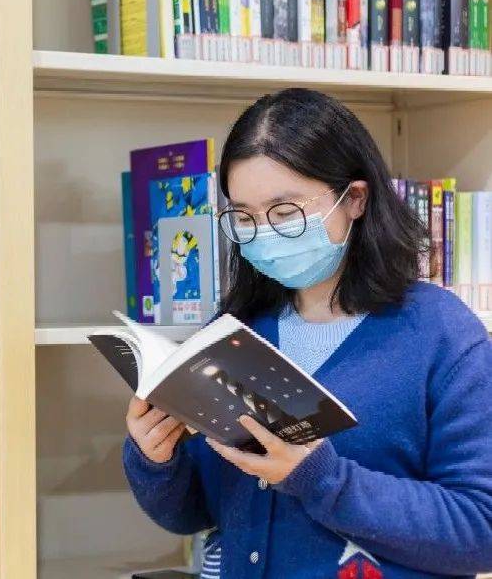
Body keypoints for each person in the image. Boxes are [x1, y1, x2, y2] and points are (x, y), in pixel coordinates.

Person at [123, 88, 492, 578]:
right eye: (244, 217)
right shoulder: (235, 329)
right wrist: (155, 458)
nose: (264, 233)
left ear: (354, 199)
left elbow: (480, 530)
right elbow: (195, 514)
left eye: (285, 212)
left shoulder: (440, 334)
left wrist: (322, 479)